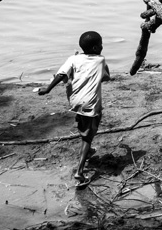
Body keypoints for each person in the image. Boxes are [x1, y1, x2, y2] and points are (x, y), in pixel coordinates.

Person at [36, 30, 111, 188]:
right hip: (91, 103)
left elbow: (60, 73)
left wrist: (48, 89)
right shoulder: (101, 60)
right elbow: (106, 77)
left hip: (75, 101)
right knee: (88, 137)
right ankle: (80, 172)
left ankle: (88, 150)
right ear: (97, 48)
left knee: (83, 122)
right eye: (101, 44)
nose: (103, 46)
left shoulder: (73, 58)